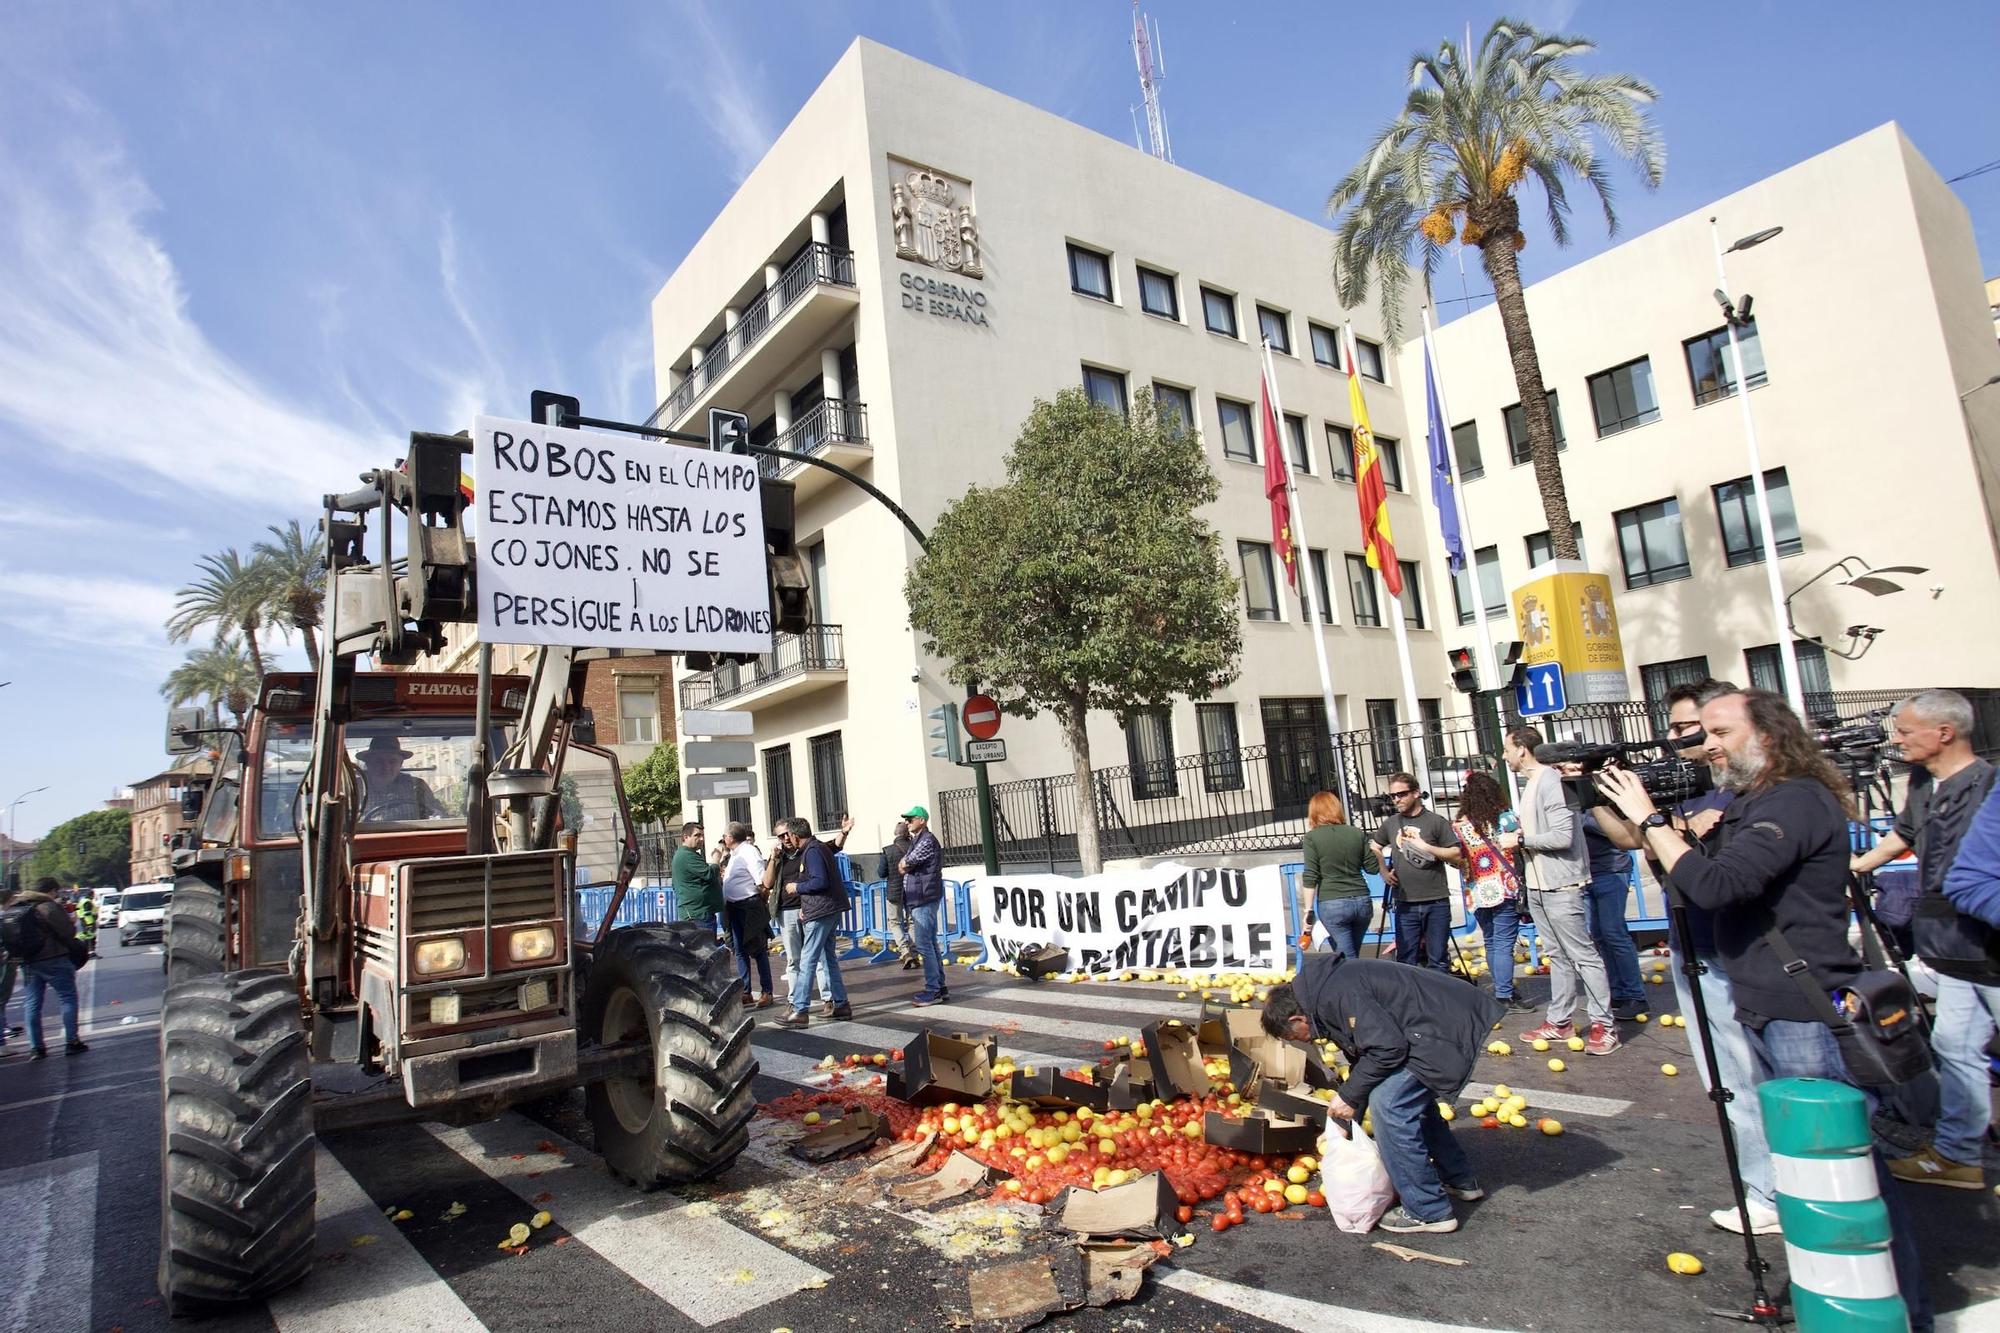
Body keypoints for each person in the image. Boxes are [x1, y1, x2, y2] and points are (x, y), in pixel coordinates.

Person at [1598, 688, 1929, 1328]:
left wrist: (1653, 822)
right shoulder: (1753, 802)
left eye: (1719, 731)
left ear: (1769, 737)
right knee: (1812, 1176)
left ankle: (1899, 1310)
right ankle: (1835, 1296)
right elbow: (1689, 882)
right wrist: (1652, 823)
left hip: (1804, 1013)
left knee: (1844, 1174)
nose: (1705, 744)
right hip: (1768, 1006)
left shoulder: (1795, 801)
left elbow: (1716, 885)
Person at [1596, 679, 1779, 1236]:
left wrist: (1658, 821)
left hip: (1737, 949)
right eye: (1672, 729)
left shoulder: (1742, 792)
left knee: (1752, 1075)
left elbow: (1698, 863)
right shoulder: (1690, 788)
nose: (1677, 741)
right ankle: (1763, 1182)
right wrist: (1602, 796)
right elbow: (1632, 841)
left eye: (1691, 729)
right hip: (1691, 943)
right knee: (1724, 1076)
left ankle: (1773, 1190)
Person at [1852, 690, 1995, 1190]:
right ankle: (1957, 1155)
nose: (1897, 740)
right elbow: (1904, 835)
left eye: (1906, 731)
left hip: (1990, 943)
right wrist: (1858, 867)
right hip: (1948, 946)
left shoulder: (1989, 786)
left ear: (1944, 732)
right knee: (1955, 1047)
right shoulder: (1921, 783)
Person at [1262, 952, 1502, 1233]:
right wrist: (1346, 1118)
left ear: (1297, 1018)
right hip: (1431, 1026)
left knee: (1390, 1105)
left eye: (1294, 1037)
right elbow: (1366, 1055)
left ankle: (1428, 1210)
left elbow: (1387, 1049)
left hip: (1440, 1029)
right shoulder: (1322, 995)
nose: (1302, 1041)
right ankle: (1458, 1178)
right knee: (1411, 1104)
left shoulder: (1335, 996)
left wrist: (1350, 1097)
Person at [1504, 727, 1619, 1055]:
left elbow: (1562, 836)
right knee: (1557, 955)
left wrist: (1521, 840)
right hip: (1539, 884)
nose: (1504, 756)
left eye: (1507, 749)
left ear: (1522, 749)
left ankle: (1603, 1024)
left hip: (1561, 883)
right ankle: (1560, 1020)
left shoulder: (1551, 782)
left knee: (1583, 954)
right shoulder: (1531, 785)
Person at [1410, 771, 1532, 1014]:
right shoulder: (1505, 819)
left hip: (1476, 889)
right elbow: (1521, 844)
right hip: (1504, 886)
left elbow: (1457, 858)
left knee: (1490, 940)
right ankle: (1504, 993)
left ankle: (1501, 987)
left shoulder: (1459, 826)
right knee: (1504, 942)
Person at [1370, 773, 1455, 974]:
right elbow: (1374, 846)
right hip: (1405, 902)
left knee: (1438, 959)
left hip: (1436, 900)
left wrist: (1428, 848)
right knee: (1406, 960)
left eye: (1402, 794)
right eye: (1393, 796)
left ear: (1416, 793)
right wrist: (1383, 870)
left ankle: (1437, 1002)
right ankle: (1410, 1003)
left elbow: (1455, 852)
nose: (1396, 799)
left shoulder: (1435, 821)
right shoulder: (1391, 823)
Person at [775, 817, 853, 1028]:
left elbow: (819, 880)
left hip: (822, 910)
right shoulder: (815, 848)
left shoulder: (812, 851)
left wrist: (796, 888)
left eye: (787, 835)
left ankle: (800, 1009)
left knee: (808, 959)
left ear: (794, 835)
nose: (785, 839)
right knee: (827, 958)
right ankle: (841, 1004)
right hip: (827, 908)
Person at [3, 877, 87, 1059]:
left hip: (28, 961)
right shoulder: (47, 906)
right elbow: (68, 932)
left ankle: (36, 1048)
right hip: (53, 958)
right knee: (68, 998)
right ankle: (72, 1042)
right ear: (52, 891)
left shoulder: (17, 907)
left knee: (32, 1004)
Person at [1296, 792, 1379, 962]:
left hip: (1332, 903)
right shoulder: (1356, 833)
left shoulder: (1312, 838)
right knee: (1351, 953)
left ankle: (1356, 987)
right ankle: (1356, 984)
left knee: (1347, 958)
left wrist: (1308, 911)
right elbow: (1372, 868)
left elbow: (1311, 875)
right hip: (1362, 901)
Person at [1580, 811, 1647, 1019]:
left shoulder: (1599, 802)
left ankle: (1635, 996)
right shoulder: (1569, 799)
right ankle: (1617, 992)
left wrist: (1579, 818)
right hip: (1586, 874)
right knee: (1599, 936)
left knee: (1614, 933)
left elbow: (1619, 830)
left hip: (1611, 871)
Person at [717, 824, 775, 1008]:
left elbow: (762, 880)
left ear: (731, 838)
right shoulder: (734, 855)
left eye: (725, 835)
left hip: (748, 905)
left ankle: (767, 991)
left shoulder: (749, 852)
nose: (724, 838)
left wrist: (761, 903)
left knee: (757, 949)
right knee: (740, 950)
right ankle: (746, 991)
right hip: (733, 907)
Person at [899, 805, 949, 1007]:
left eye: (911, 819)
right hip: (920, 896)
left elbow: (908, 861)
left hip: (924, 897)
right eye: (906, 819)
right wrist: (904, 863)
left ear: (922, 820)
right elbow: (905, 863)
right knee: (930, 943)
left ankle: (933, 989)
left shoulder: (926, 840)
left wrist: (905, 864)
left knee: (924, 944)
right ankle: (940, 986)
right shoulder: (917, 840)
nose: (907, 822)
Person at [357, 734, 446, 821]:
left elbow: (439, 815)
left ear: (400, 764)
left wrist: (437, 815)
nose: (386, 767)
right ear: (368, 763)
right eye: (378, 761)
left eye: (392, 761)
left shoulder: (417, 786)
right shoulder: (355, 788)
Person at [878, 819, 918, 967]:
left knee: (894, 922)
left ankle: (905, 951)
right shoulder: (914, 847)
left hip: (894, 892)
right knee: (912, 922)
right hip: (912, 890)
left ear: (895, 834)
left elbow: (881, 873)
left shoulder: (888, 850)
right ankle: (914, 952)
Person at [671, 822, 723, 933]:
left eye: (702, 835)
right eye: (697, 835)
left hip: (699, 913)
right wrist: (716, 860)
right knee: (703, 949)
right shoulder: (686, 855)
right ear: (686, 837)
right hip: (697, 915)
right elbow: (710, 874)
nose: (701, 839)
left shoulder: (688, 854)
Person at [74, 890, 99, 957]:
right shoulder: (87, 902)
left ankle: (87, 952)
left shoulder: (81, 901)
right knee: (90, 937)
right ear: (91, 895)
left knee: (87, 937)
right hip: (88, 921)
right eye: (93, 895)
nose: (94, 896)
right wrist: (90, 923)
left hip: (83, 921)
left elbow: (77, 910)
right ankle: (91, 952)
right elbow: (87, 913)